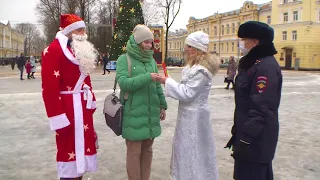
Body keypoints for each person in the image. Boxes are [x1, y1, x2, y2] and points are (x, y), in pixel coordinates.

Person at [41, 14, 99, 180]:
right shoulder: (53, 51)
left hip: (82, 109)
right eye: (80, 29)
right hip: (67, 111)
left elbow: (86, 78)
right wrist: (58, 117)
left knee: (83, 152)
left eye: (84, 29)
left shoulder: (79, 50)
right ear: (69, 31)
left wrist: (91, 100)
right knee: (68, 153)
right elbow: (49, 89)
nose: (83, 33)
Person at [156, 31, 220, 180]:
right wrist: (169, 80)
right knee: (185, 149)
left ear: (197, 49)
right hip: (187, 116)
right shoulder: (193, 68)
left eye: (189, 46)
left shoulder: (201, 71)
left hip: (195, 118)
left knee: (193, 150)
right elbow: (185, 89)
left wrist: (166, 81)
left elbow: (187, 94)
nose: (185, 49)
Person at [225, 21, 282, 180]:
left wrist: (246, 138)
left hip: (257, 140)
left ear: (255, 42)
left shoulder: (265, 67)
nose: (241, 43)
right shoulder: (252, 63)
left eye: (244, 40)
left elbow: (262, 108)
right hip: (248, 136)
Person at [116, 24, 167, 180]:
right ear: (138, 42)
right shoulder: (124, 59)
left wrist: (162, 105)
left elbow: (157, 84)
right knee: (134, 152)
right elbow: (123, 83)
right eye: (146, 42)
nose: (149, 45)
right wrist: (147, 77)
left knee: (148, 151)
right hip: (133, 114)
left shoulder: (151, 60)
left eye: (151, 42)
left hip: (150, 113)